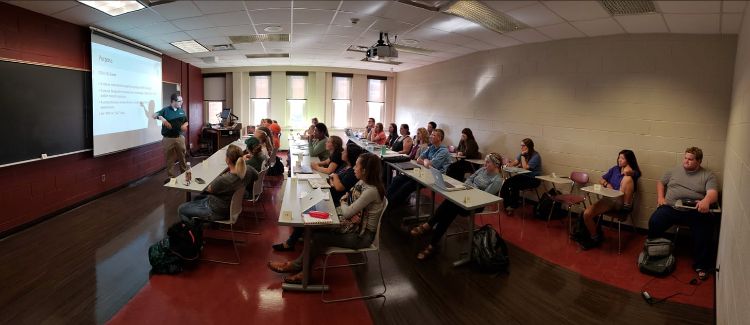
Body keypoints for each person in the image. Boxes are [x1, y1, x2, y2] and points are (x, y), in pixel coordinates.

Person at [267, 153, 386, 284]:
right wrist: (345, 201)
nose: (354, 168)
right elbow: (347, 198)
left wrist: (343, 203)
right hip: (354, 228)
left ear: (365, 170)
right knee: (313, 230)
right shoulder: (363, 183)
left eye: (357, 166)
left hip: (361, 237)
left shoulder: (371, 191)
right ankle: (301, 269)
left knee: (317, 238)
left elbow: (347, 211)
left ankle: (301, 271)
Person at [410, 153, 504, 259]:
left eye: (488, 162)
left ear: (496, 165)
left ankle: (430, 229)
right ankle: (432, 241)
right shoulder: (482, 170)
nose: (485, 164)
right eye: (485, 162)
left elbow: (484, 196)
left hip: (475, 204)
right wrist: (472, 186)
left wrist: (471, 187)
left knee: (450, 207)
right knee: (449, 204)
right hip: (466, 196)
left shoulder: (497, 180)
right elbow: (468, 179)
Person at [272, 143, 363, 252]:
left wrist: (335, 178)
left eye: (345, 151)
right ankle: (299, 234)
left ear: (349, 155)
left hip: (332, 199)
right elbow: (332, 179)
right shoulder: (345, 166)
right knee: (304, 199)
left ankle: (291, 242)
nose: (342, 152)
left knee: (306, 208)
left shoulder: (352, 172)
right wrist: (334, 179)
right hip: (329, 191)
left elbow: (338, 186)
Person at [647, 147, 718, 280]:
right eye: (685, 158)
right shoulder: (674, 170)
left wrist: (706, 201)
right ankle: (653, 252)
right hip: (671, 208)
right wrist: (660, 198)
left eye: (690, 159)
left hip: (694, 211)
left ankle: (701, 265)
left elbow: (712, 193)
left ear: (699, 161)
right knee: (655, 221)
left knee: (705, 229)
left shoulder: (708, 175)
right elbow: (661, 182)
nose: (686, 161)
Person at [578, 150, 641, 249]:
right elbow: (601, 179)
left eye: (623, 158)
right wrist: (607, 184)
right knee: (586, 214)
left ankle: (626, 208)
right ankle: (595, 237)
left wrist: (630, 172)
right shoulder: (615, 169)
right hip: (609, 200)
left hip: (621, 202)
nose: (619, 160)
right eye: (619, 157)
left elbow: (637, 174)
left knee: (627, 179)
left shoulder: (632, 172)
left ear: (629, 160)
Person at [178, 144, 257, 224]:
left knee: (181, 209)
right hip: (231, 208)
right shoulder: (249, 170)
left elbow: (210, 189)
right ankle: (199, 225)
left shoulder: (224, 180)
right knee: (198, 198)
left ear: (227, 160)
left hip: (218, 211)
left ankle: (192, 233)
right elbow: (257, 176)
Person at [387, 129, 452, 207]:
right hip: (425, 173)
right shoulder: (431, 147)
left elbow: (430, 165)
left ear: (439, 138)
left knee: (408, 185)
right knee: (398, 179)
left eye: (433, 135)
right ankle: (385, 200)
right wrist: (426, 161)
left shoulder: (443, 151)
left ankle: (391, 204)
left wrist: (426, 161)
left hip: (436, 178)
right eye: (431, 134)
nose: (430, 136)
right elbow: (418, 159)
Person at [499, 138, 542, 214]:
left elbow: (525, 167)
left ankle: (513, 205)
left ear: (528, 146)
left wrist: (522, 155)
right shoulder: (522, 153)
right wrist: (508, 164)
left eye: (523, 146)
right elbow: (515, 162)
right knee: (507, 182)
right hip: (524, 176)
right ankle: (506, 204)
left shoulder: (536, 156)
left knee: (514, 185)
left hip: (533, 179)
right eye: (521, 145)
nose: (521, 147)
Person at [153, 93, 188, 180]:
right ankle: (171, 178)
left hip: (179, 138)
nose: (182, 102)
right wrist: (163, 119)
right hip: (168, 139)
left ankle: (184, 175)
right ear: (173, 101)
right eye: (180, 101)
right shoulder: (165, 110)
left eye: (182, 101)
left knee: (182, 158)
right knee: (170, 160)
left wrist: (185, 125)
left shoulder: (181, 111)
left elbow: (186, 121)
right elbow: (154, 115)